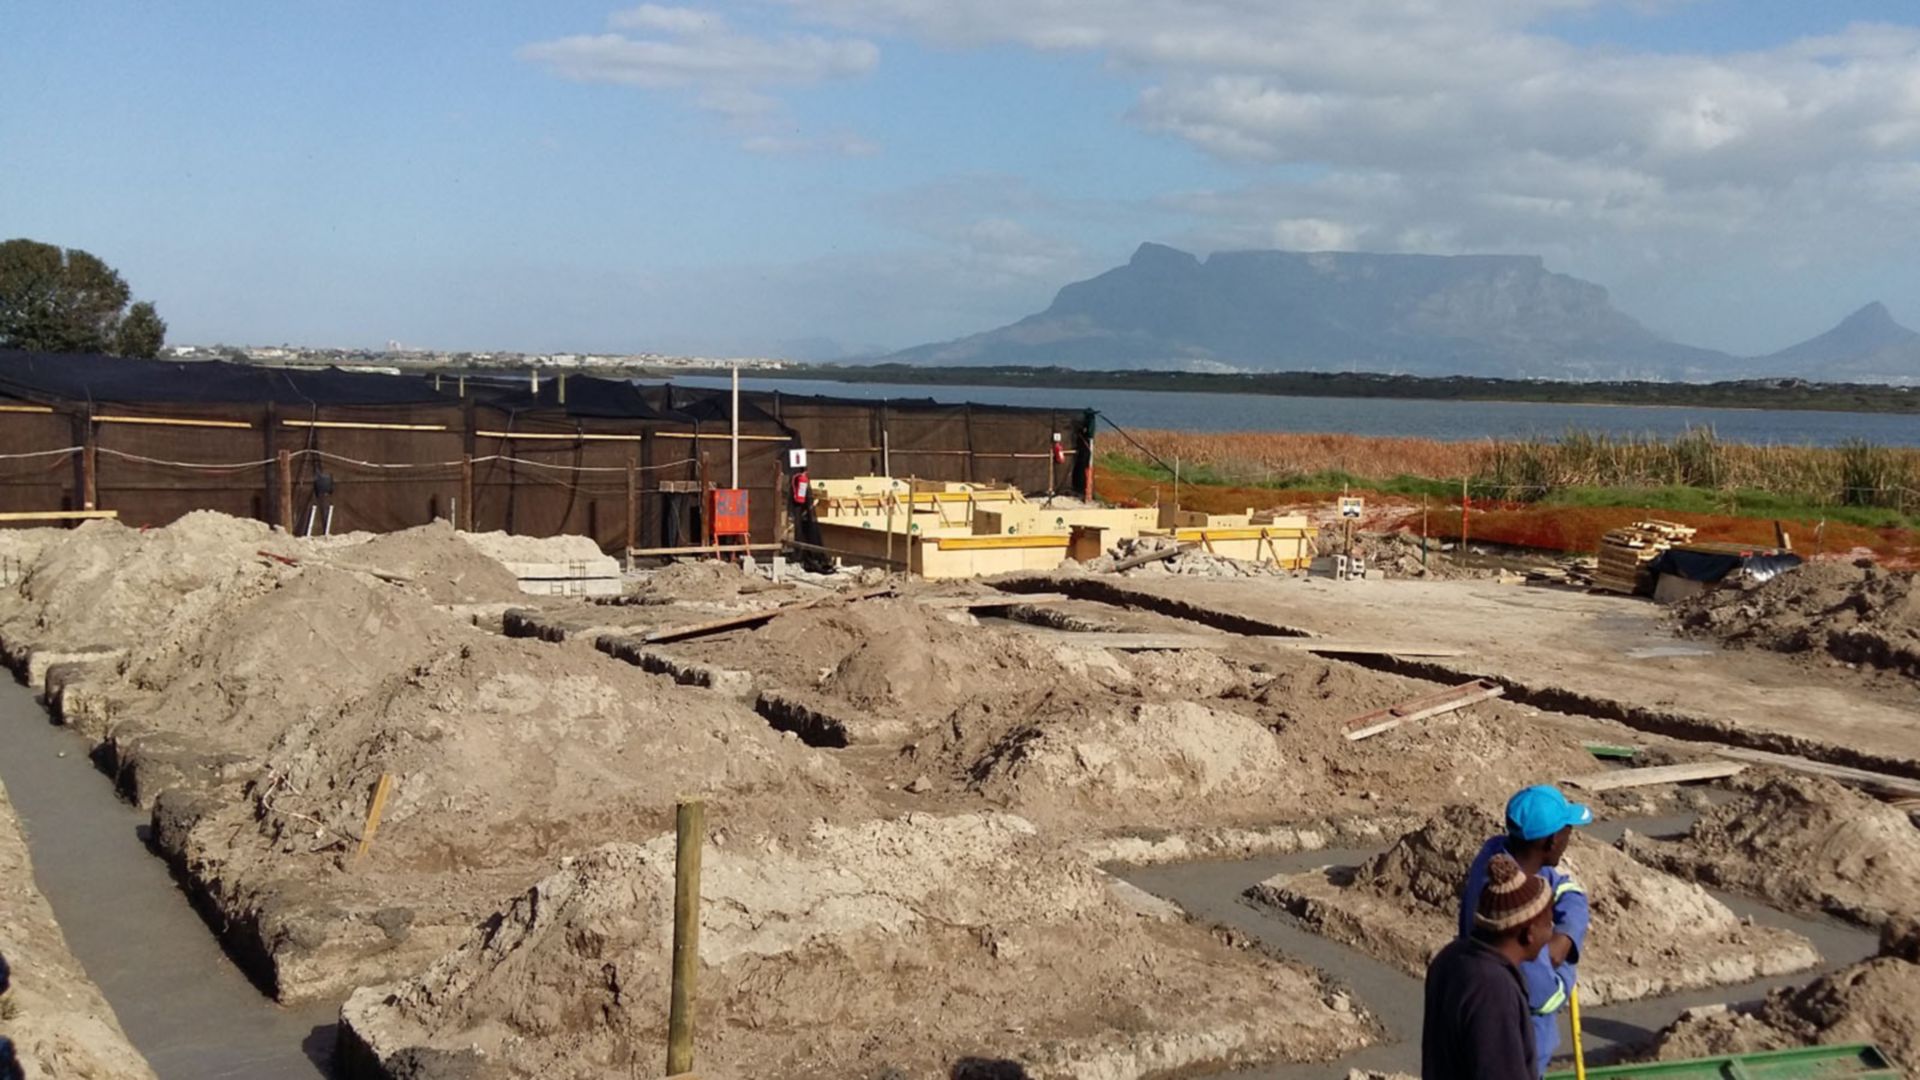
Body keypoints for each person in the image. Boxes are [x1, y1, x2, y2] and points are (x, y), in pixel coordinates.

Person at [1458, 785, 1593, 1077]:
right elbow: (1548, 997)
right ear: (1553, 841)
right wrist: (1565, 964)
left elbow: (1565, 890)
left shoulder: (1500, 857)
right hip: (1521, 1048)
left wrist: (1566, 935)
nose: (1570, 837)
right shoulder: (1514, 923)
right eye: (1568, 831)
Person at [1423, 852, 1556, 1079]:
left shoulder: (1451, 957)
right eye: (1548, 923)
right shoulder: (1493, 990)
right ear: (1529, 933)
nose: (1552, 930)